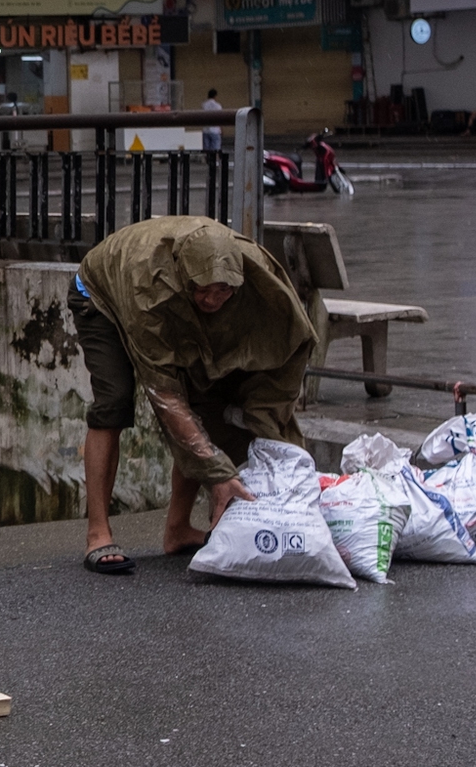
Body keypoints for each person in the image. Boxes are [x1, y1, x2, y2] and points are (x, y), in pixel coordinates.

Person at [70, 215, 318, 573]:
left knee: (205, 401)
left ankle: (178, 528)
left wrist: (268, 422)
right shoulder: (150, 294)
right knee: (114, 401)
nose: (214, 299)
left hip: (168, 299)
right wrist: (217, 474)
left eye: (223, 291)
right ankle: (98, 533)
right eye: (205, 290)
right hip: (99, 294)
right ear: (186, 277)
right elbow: (164, 393)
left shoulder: (258, 273)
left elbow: (294, 344)